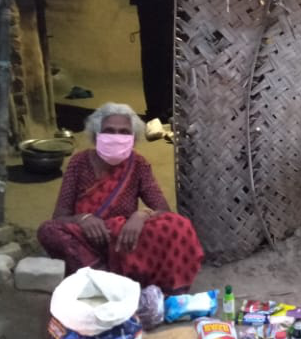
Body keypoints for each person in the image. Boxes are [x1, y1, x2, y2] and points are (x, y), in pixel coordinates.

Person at [37, 102, 203, 293]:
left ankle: (114, 278)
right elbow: (60, 216)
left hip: (123, 241)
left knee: (178, 225)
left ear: (133, 138)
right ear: (96, 134)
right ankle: (105, 278)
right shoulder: (79, 162)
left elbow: (162, 209)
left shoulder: (138, 164)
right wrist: (83, 219)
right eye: (109, 130)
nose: (117, 137)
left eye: (124, 132)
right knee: (48, 231)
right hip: (85, 239)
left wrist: (141, 216)